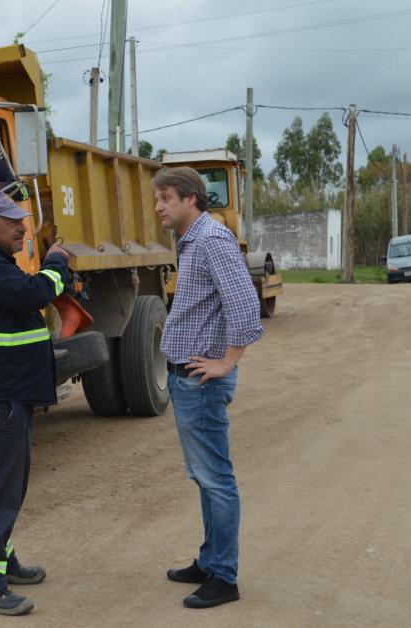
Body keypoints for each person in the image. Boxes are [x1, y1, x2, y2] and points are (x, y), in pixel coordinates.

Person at [0, 190, 70, 616]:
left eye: (21, 219)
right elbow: (35, 293)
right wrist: (57, 264)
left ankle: (2, 562)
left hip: (9, 394)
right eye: (10, 221)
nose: (22, 226)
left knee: (7, 485)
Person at [154, 166, 264, 609]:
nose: (159, 207)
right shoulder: (193, 240)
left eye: (165, 198)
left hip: (202, 382)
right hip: (188, 379)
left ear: (190, 199)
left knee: (216, 479)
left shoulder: (213, 240)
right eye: (158, 199)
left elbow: (244, 305)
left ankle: (223, 577)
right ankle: (210, 558)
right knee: (204, 477)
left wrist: (226, 363)